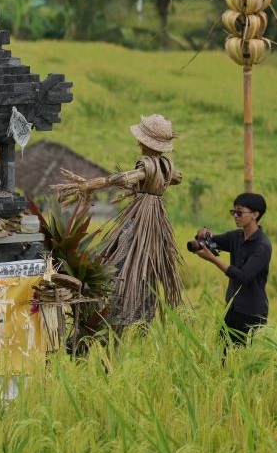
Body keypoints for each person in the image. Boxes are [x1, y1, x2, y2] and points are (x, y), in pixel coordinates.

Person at [55, 114, 183, 326]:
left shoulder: (147, 166)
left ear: (144, 143)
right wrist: (157, 179)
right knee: (146, 262)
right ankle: (137, 313)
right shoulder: (167, 167)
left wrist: (87, 185)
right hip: (157, 216)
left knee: (122, 254)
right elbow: (177, 177)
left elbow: (120, 178)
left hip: (143, 215)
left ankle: (117, 309)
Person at [193, 193, 271, 350]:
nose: (235, 216)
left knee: (245, 358)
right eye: (233, 212)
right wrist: (203, 234)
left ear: (255, 215)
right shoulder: (236, 237)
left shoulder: (262, 246)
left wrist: (213, 259)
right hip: (233, 308)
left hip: (252, 313)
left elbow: (243, 276)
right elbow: (212, 241)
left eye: (239, 212)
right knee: (221, 355)